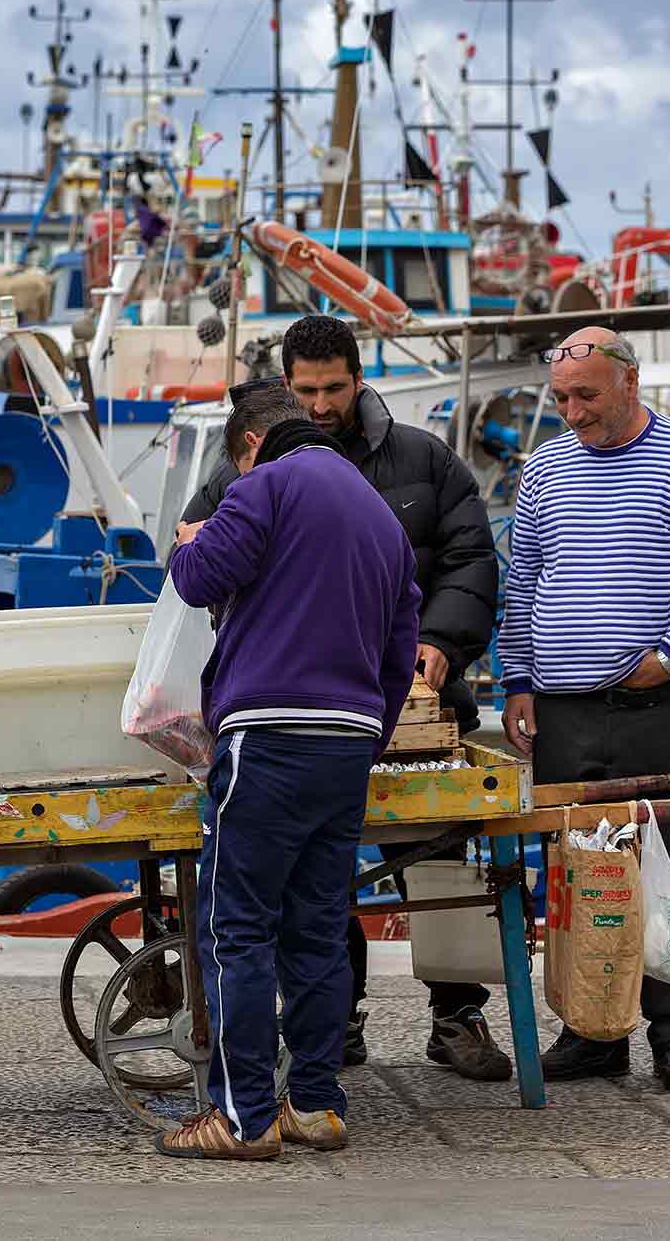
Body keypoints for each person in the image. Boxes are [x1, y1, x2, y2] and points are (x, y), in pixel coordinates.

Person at [182, 314, 509, 1081]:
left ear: (358, 379)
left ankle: (452, 1014)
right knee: (322, 908)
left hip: (342, 724)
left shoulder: (420, 460)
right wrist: (381, 702)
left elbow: (470, 558)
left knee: (422, 871)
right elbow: (207, 525)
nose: (322, 403)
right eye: (307, 391)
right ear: (288, 392)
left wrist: (444, 641)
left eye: (334, 387)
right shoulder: (273, 480)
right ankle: (329, 1056)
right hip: (359, 722)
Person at [156, 386, 421, 1161]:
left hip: (267, 736)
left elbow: (200, 578)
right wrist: (368, 729)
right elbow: (401, 645)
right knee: (316, 930)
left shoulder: (263, 484)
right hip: (347, 742)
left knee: (234, 926)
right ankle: (317, 1102)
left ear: (249, 444)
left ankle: (241, 1118)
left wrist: (189, 539)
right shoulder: (379, 513)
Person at [498, 327, 670, 1093]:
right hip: (564, 711)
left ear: (630, 383)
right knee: (575, 875)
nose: (571, 412)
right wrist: (517, 679)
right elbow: (524, 579)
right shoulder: (543, 467)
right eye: (562, 397)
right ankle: (592, 1029)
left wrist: (669, 654)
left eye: (587, 396)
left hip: (657, 706)